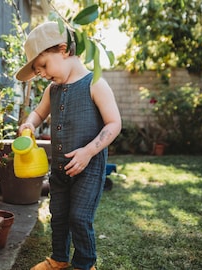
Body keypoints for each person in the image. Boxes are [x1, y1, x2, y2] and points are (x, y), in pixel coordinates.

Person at [15, 21, 122, 270]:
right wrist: (29, 124)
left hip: (89, 167)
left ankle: (85, 264)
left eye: (42, 65)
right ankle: (59, 259)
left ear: (63, 50)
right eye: (37, 70)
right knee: (59, 216)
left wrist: (89, 151)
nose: (41, 73)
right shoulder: (52, 90)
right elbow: (38, 114)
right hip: (60, 169)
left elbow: (114, 123)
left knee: (80, 218)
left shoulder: (95, 84)